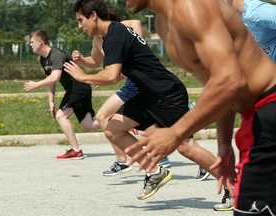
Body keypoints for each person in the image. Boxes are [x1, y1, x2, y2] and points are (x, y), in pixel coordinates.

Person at [124, 0, 276, 215]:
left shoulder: (192, 7)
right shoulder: (163, 24)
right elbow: (219, 86)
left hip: (270, 110)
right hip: (257, 116)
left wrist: (175, 133)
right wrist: (224, 147)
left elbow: (230, 80)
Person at [65, 0, 222, 201]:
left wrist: (83, 77)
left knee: (186, 147)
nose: (80, 26)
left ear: (93, 15)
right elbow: (110, 70)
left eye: (81, 20)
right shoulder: (111, 34)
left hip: (166, 94)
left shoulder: (115, 34)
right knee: (113, 128)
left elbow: (112, 75)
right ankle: (156, 171)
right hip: (146, 94)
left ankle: (233, 186)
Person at [72, 12, 171, 176]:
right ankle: (160, 154)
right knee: (146, 126)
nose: (81, 26)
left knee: (104, 117)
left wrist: (138, 44)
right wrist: (82, 60)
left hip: (136, 82)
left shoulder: (118, 29)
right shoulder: (97, 40)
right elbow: (96, 62)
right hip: (131, 82)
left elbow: (136, 22)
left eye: (82, 21)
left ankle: (123, 160)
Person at [24, 29, 99, 160]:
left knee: (61, 116)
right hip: (76, 88)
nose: (30, 45)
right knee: (88, 124)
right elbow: (51, 82)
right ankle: (121, 122)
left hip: (79, 86)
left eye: (32, 42)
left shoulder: (56, 55)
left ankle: (76, 150)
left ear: (40, 42)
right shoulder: (43, 59)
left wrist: (35, 84)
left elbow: (55, 77)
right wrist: (51, 102)